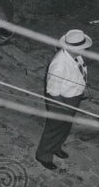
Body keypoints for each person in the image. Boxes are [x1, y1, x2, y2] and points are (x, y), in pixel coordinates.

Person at [34, 29, 91, 170]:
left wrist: (82, 88)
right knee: (54, 128)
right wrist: (62, 107)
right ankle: (44, 155)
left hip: (73, 98)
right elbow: (53, 90)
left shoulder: (76, 56)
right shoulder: (59, 64)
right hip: (60, 101)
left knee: (65, 126)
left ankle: (56, 146)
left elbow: (79, 72)